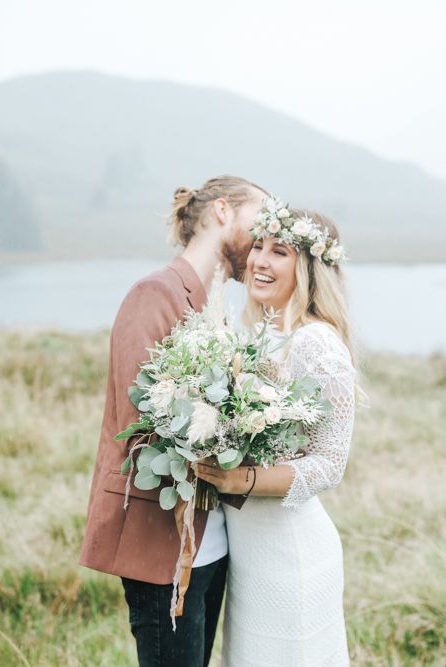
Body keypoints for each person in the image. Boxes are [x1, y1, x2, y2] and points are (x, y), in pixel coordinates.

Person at [79, 175, 267, 667]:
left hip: (213, 544)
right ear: (223, 211)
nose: (266, 238)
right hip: (161, 546)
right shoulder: (154, 293)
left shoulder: (215, 306)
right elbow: (140, 419)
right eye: (259, 219)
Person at [194, 208, 356, 666]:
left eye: (279, 252)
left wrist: (239, 480)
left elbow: (329, 462)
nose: (259, 261)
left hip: (291, 555)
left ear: (308, 268)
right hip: (251, 557)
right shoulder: (262, 337)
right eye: (258, 247)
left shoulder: (316, 343)